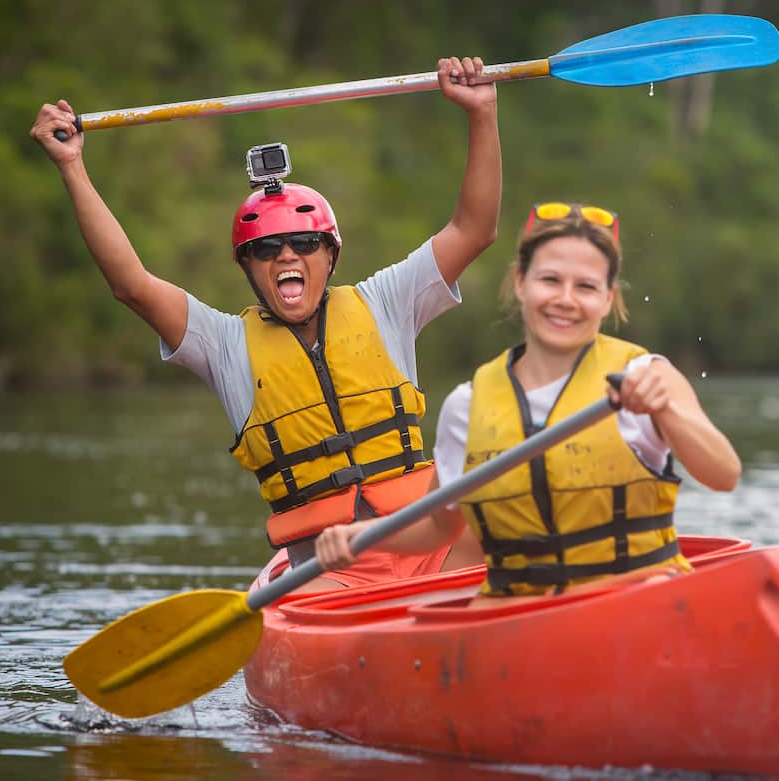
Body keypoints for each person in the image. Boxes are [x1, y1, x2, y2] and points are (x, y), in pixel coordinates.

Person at [29, 57, 501, 592]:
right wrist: (72, 165)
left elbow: (475, 228)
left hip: (430, 547)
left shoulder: (386, 301)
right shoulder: (223, 344)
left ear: (330, 254)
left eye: (303, 244)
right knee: (319, 595)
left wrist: (481, 112)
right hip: (328, 570)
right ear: (246, 266)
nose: (285, 256)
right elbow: (131, 284)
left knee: (508, 530)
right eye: (266, 249)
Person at [315, 201, 741, 596]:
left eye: (586, 287)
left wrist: (666, 409)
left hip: (635, 602)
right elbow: (438, 529)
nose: (565, 300)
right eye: (550, 280)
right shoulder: (468, 405)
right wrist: (361, 537)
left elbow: (725, 474)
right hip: (521, 617)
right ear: (521, 283)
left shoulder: (647, 377)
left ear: (608, 299)